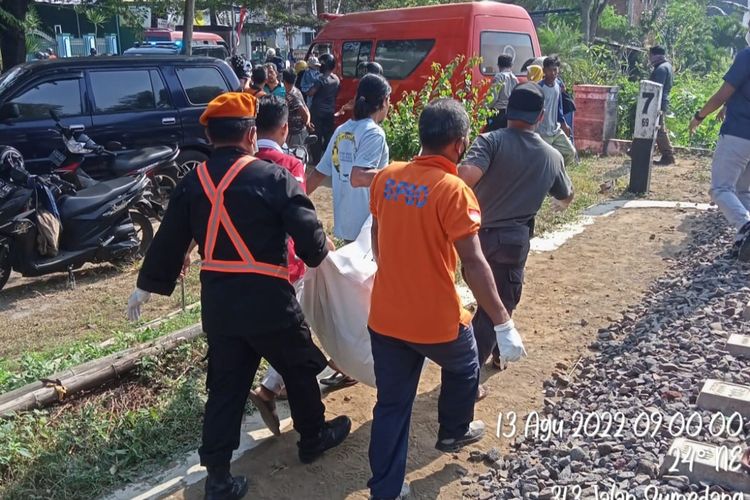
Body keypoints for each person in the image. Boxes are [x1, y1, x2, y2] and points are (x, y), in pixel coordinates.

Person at [125, 92, 351, 500]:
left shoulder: (193, 181)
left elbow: (169, 241)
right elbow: (312, 245)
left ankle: (218, 479)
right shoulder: (275, 178)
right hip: (268, 301)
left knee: (225, 388)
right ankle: (313, 437)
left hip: (219, 304)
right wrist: (325, 253)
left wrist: (144, 288)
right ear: (250, 133)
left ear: (210, 136)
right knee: (299, 366)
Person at [366, 98, 526, 500]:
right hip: (434, 319)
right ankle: (454, 430)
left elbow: (378, 238)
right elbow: (473, 263)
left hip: (385, 316)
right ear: (459, 145)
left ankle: (385, 489)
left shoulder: (387, 177)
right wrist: (503, 322)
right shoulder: (453, 191)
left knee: (391, 406)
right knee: (467, 362)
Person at [459, 82, 574, 379]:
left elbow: (464, 179)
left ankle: (496, 353)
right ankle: (466, 380)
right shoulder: (552, 157)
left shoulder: (489, 142)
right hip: (513, 242)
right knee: (494, 307)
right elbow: (565, 196)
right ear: (540, 115)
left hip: (474, 240)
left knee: (488, 302)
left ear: (508, 110)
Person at [307, 73, 390, 242]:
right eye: (389, 100)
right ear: (383, 101)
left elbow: (318, 174)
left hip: (345, 225)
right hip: (368, 228)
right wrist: (395, 174)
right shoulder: (374, 133)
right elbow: (358, 177)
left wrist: (293, 198)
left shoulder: (342, 130)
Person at [689, 46, 750, 261]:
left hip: (739, 134)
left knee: (720, 188)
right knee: (742, 191)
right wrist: (729, 105)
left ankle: (745, 225)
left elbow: (721, 94)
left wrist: (699, 116)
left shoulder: (747, 56)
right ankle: (742, 242)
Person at [538, 55, 576, 166]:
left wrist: (564, 124)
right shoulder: (539, 88)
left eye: (555, 70)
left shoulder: (558, 85)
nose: (553, 73)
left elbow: (559, 107)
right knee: (543, 161)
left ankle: (556, 173)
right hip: (542, 132)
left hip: (556, 130)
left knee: (570, 153)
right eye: (550, 70)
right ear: (544, 70)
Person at [308, 53, 340, 165]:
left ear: (324, 66)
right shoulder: (336, 79)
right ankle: (329, 161)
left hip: (317, 112)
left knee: (315, 137)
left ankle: (316, 162)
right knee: (329, 137)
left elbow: (311, 93)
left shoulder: (320, 79)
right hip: (329, 112)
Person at [649, 46, 675, 166]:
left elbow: (655, 88)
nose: (649, 58)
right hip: (661, 102)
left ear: (655, 55)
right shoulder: (667, 66)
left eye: (651, 55)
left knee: (659, 129)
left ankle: (668, 155)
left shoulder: (660, 69)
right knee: (655, 127)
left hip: (657, 102)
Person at [486, 54, 518, 131]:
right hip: (510, 113)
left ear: (498, 65)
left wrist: (485, 109)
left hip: (498, 113)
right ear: (511, 65)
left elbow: (493, 97)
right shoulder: (515, 78)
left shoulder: (499, 77)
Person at [281, 68, 311, 147]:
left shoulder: (292, 96)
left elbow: (303, 111)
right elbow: (306, 108)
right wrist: (307, 123)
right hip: (298, 132)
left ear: (283, 80)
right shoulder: (296, 90)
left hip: (295, 135)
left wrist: (306, 121)